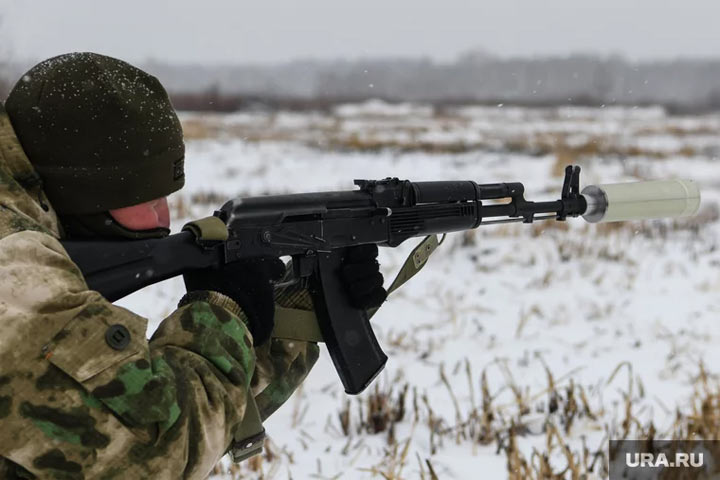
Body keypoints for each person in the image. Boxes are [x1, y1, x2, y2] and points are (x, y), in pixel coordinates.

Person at [0, 52, 387, 479]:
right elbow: (154, 452)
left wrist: (298, 311)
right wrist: (223, 312)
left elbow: (202, 424)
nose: (163, 219)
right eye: (146, 197)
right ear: (81, 191)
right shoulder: (13, 267)